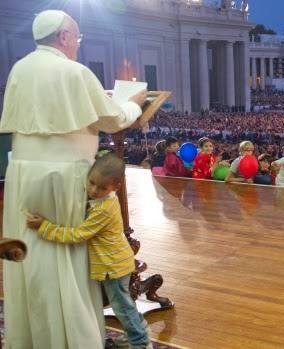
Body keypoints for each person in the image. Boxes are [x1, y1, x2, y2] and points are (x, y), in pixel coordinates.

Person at [0, 10, 147, 348]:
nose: (78, 45)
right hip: (62, 175)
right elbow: (112, 119)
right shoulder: (74, 71)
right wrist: (134, 104)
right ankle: (72, 338)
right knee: (65, 256)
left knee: (32, 254)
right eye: (77, 38)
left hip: (22, 172)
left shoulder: (20, 68)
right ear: (64, 36)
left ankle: (33, 337)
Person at [25, 154, 152, 349]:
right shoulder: (105, 200)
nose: (93, 190)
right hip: (117, 261)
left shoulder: (103, 209)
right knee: (124, 303)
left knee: (121, 307)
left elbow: (77, 235)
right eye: (91, 182)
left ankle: (140, 341)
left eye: (101, 188)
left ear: (115, 188)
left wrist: (45, 226)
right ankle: (139, 330)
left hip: (113, 265)